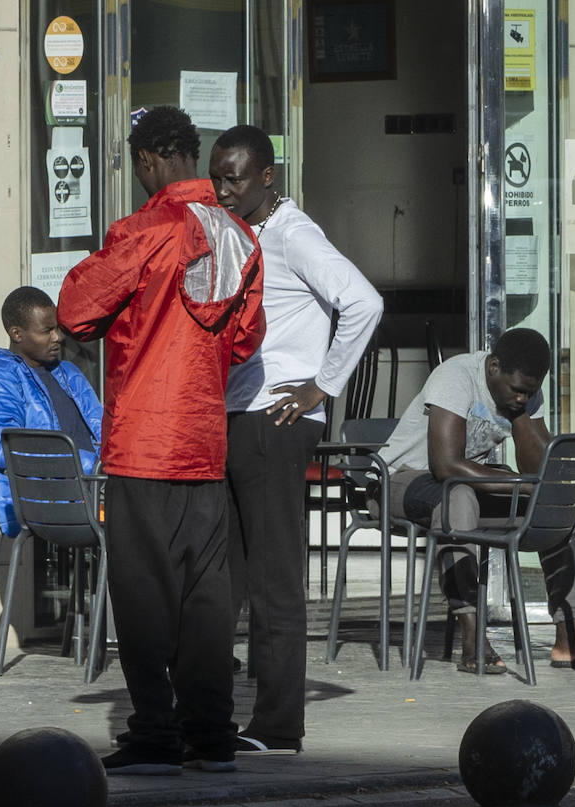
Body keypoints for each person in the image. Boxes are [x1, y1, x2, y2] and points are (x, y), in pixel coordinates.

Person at [58, 105, 266, 775]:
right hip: (203, 441)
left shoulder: (143, 231)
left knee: (143, 591)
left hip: (144, 438)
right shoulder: (239, 237)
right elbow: (244, 339)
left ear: (149, 160)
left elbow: (75, 311)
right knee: (206, 594)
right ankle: (210, 729)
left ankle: (154, 728)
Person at [209, 124, 385, 756]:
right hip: (236, 415)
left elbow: (363, 302)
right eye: (217, 176)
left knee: (274, 577)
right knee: (221, 576)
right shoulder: (242, 230)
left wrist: (321, 387)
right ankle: (210, 715)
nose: (223, 188)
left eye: (235, 177)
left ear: (267, 177)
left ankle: (279, 725)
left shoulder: (292, 233)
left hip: (275, 421)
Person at [377, 327, 575, 673]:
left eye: (530, 392)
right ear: (494, 366)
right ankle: (472, 634)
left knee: (554, 506)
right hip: (399, 480)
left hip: (461, 486)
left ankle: (570, 636)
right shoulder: (456, 376)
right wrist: (520, 484)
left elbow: (537, 469)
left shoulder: (523, 396)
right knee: (459, 497)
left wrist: (520, 415)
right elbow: (445, 464)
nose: (522, 398)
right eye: (516, 390)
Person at [0, 285, 103, 538]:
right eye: (47, 331)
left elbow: (105, 431)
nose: (58, 338)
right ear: (17, 334)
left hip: (96, 490)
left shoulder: (68, 372)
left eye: (57, 329)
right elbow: (4, 448)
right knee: (143, 522)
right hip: (44, 500)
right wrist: (94, 465)